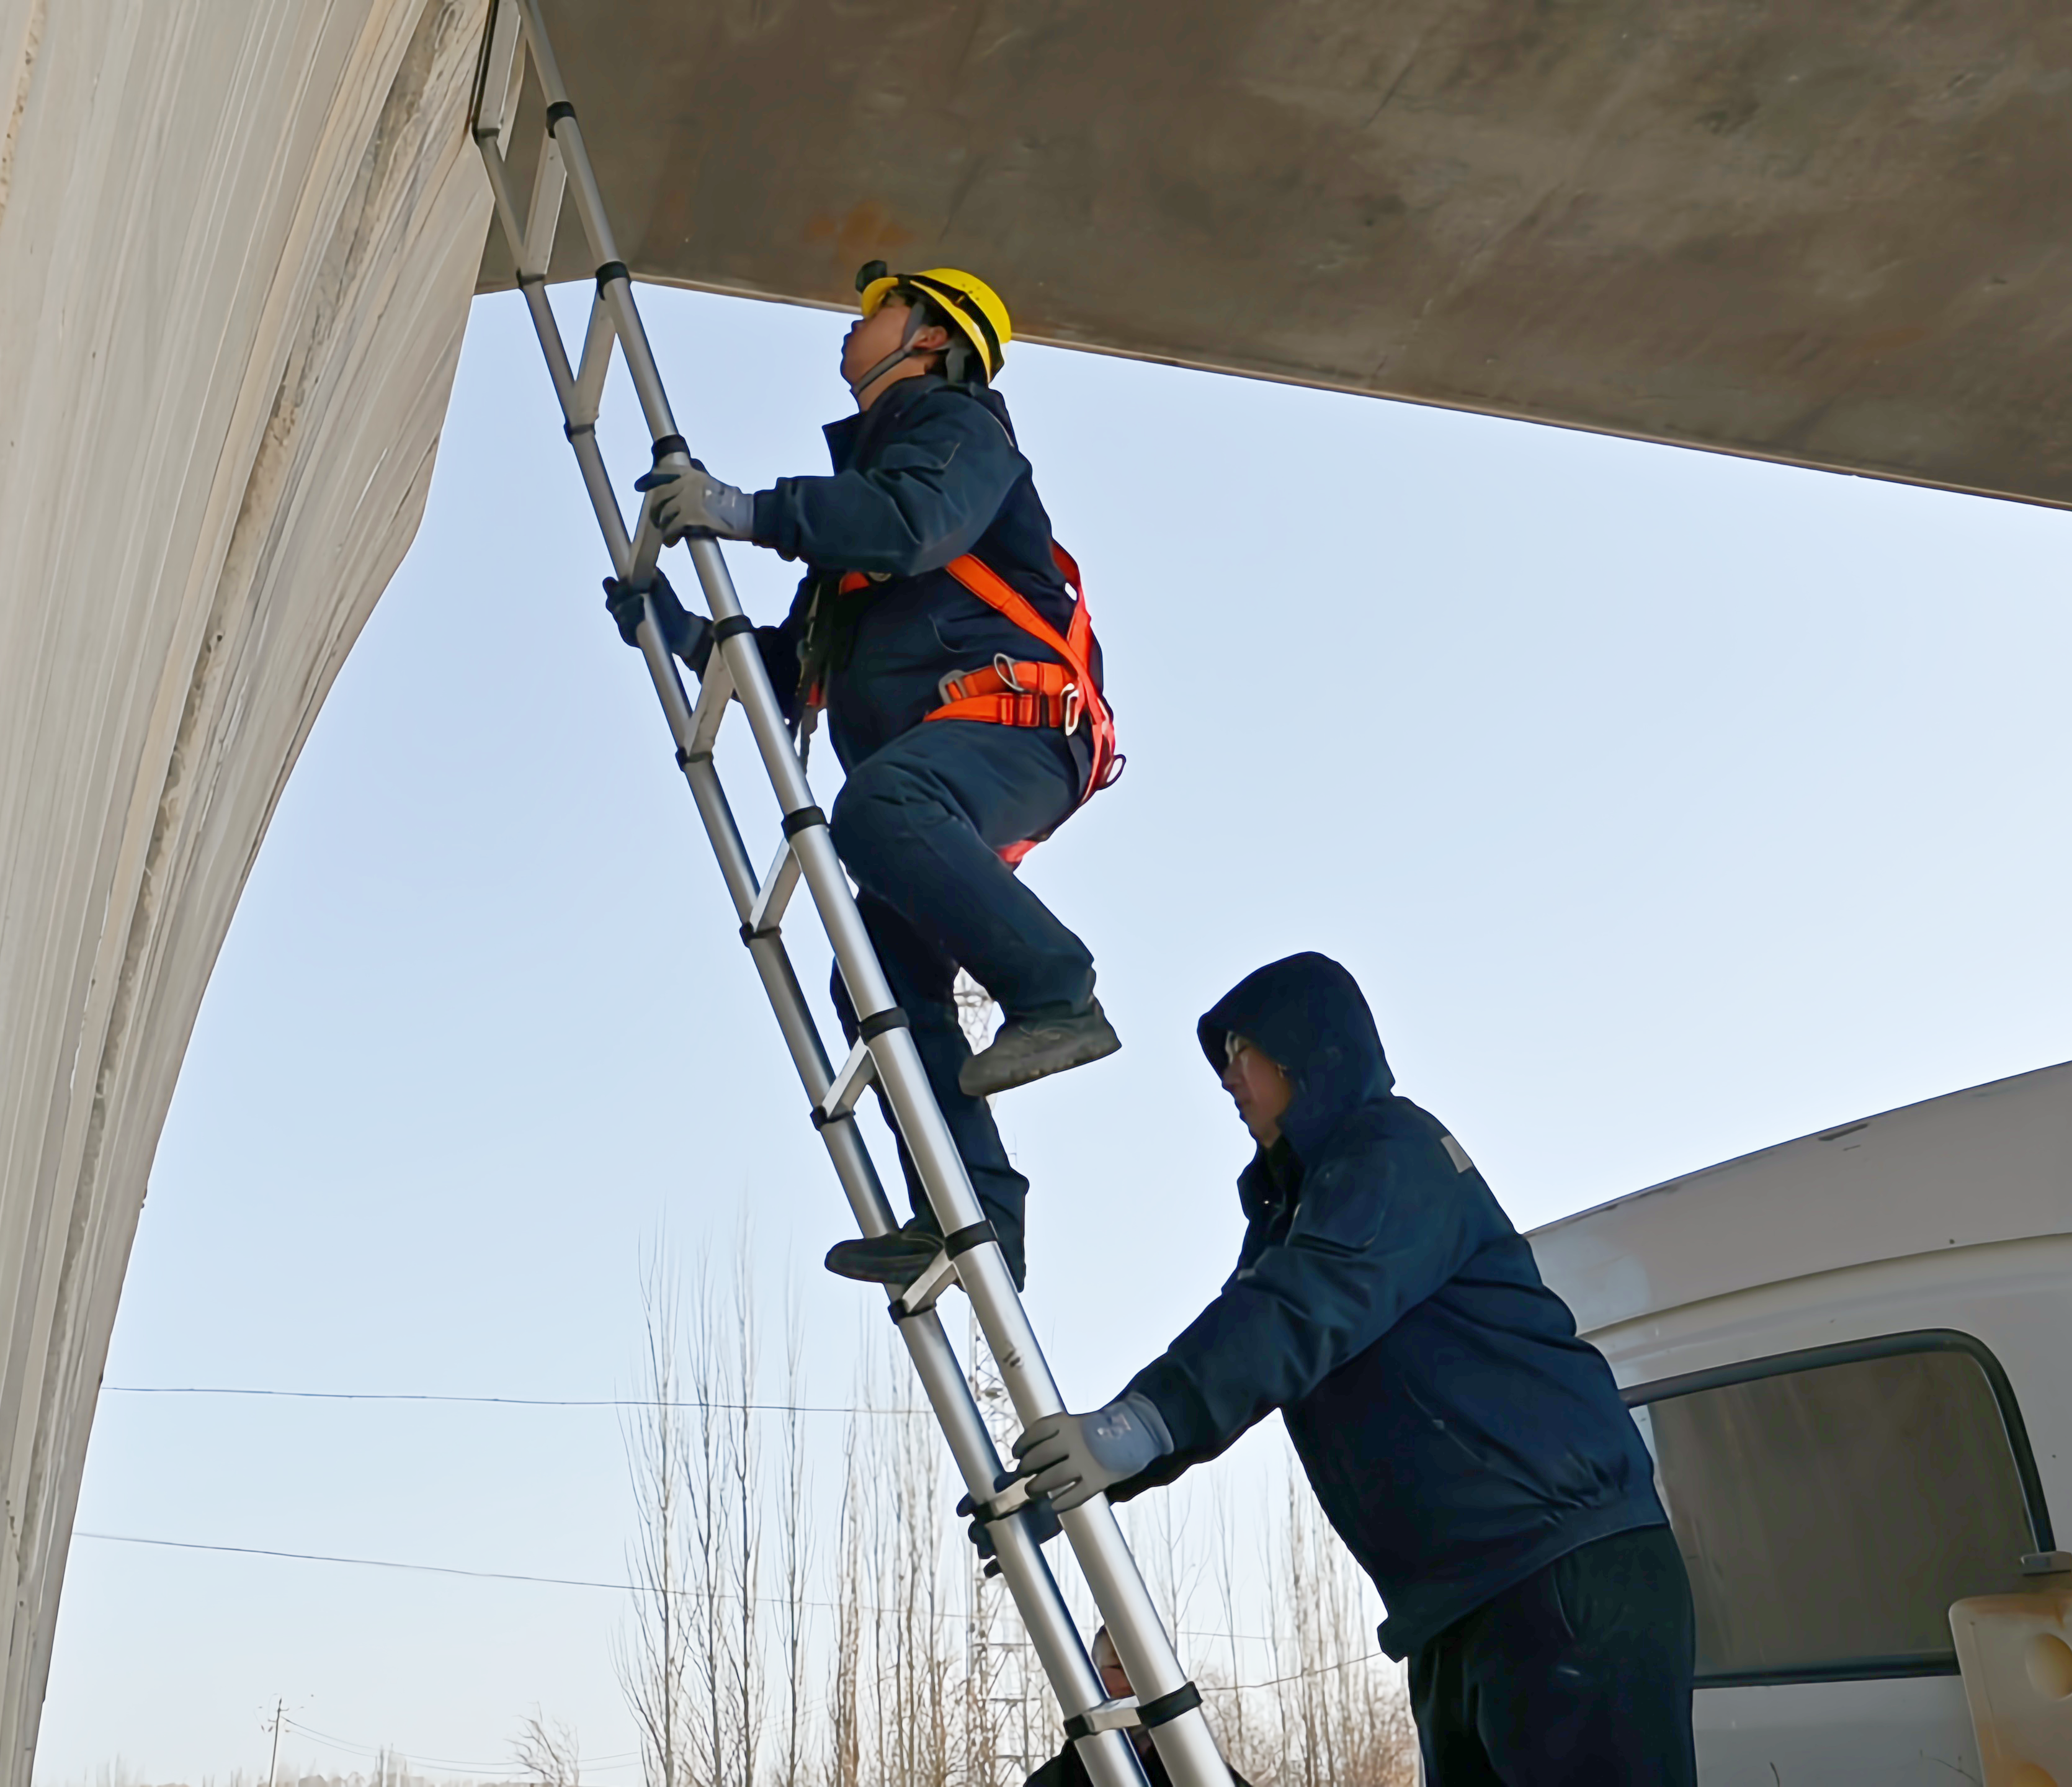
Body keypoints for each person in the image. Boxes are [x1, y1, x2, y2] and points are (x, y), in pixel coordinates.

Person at [1011, 953, 1696, 1784]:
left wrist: (1137, 1426)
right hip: (1460, 1602)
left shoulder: (1394, 1154)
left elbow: (1301, 1307)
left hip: (1561, 1571)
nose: (1228, 1076)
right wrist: (1096, 1470)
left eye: (1243, 1050)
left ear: (1309, 1049)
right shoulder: (1295, 1214)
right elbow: (1248, 1346)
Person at [612, 262, 1118, 1291]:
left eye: (878, 308)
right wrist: (671, 626)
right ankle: (971, 1215)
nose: (853, 324)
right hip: (940, 771)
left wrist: (740, 509)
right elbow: (786, 672)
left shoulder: (962, 433)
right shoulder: (857, 530)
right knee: (875, 975)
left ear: (931, 337)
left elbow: (914, 523)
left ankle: (1057, 990)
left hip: (1018, 732)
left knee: (878, 809)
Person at [1022, 1626, 1254, 1787]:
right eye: (1120, 1667)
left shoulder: (1202, 1771)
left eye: (1145, 1670)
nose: (1136, 1681)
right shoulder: (1055, 1781)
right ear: (1093, 1675)